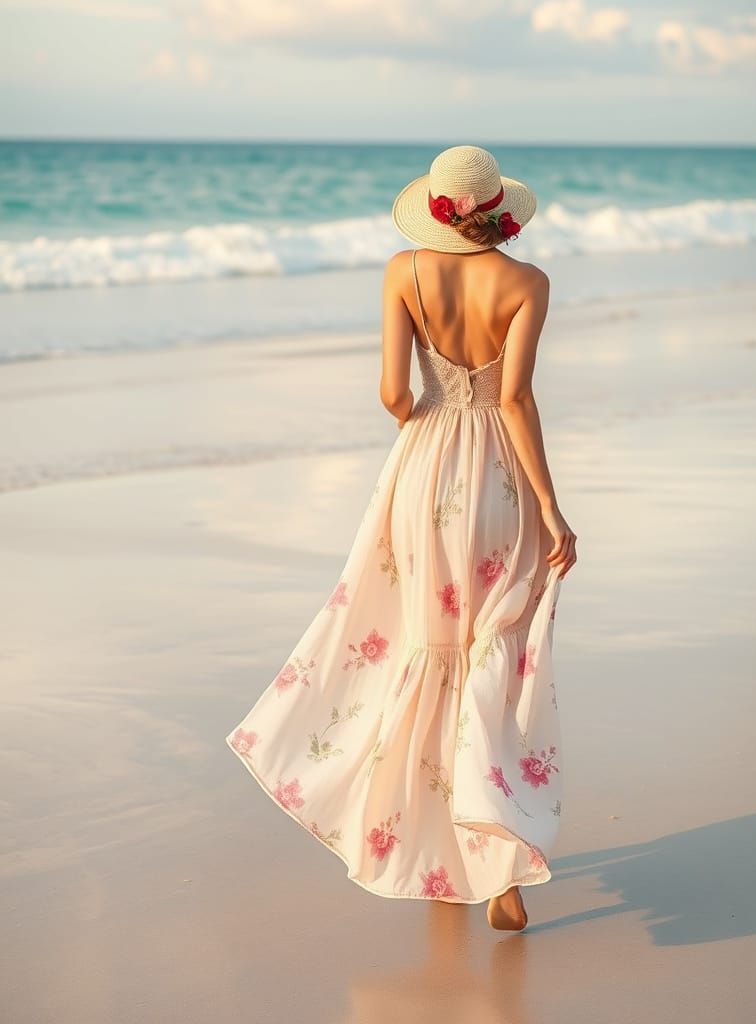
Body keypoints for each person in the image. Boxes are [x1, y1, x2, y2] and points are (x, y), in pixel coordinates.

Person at [226, 144, 577, 932]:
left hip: (422, 471)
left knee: (427, 645)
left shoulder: (402, 271)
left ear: (436, 208)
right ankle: (503, 868)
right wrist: (551, 507)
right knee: (492, 652)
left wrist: (425, 425)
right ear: (498, 210)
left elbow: (392, 391)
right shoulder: (527, 283)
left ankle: (430, 850)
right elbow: (515, 398)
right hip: (498, 479)